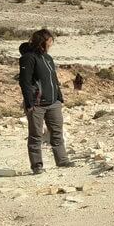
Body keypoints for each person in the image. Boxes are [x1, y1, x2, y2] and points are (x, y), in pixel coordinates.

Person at [18, 28, 72, 174]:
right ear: (44, 41)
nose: (52, 42)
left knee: (57, 132)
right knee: (36, 135)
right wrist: (29, 102)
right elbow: (25, 81)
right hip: (37, 104)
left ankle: (62, 160)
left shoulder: (48, 58)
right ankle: (37, 166)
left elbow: (53, 79)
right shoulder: (28, 58)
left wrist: (59, 96)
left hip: (53, 102)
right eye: (50, 40)